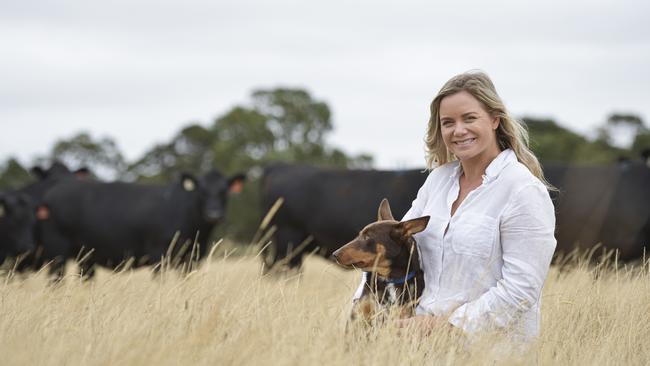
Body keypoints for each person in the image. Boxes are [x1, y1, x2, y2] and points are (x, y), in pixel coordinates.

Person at [353, 70, 556, 342]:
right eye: (448, 122)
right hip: (417, 349)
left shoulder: (523, 190)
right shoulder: (436, 182)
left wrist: (446, 327)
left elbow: (522, 290)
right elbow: (394, 250)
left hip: (488, 353)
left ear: (495, 119)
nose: (458, 130)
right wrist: (361, 309)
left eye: (469, 118)